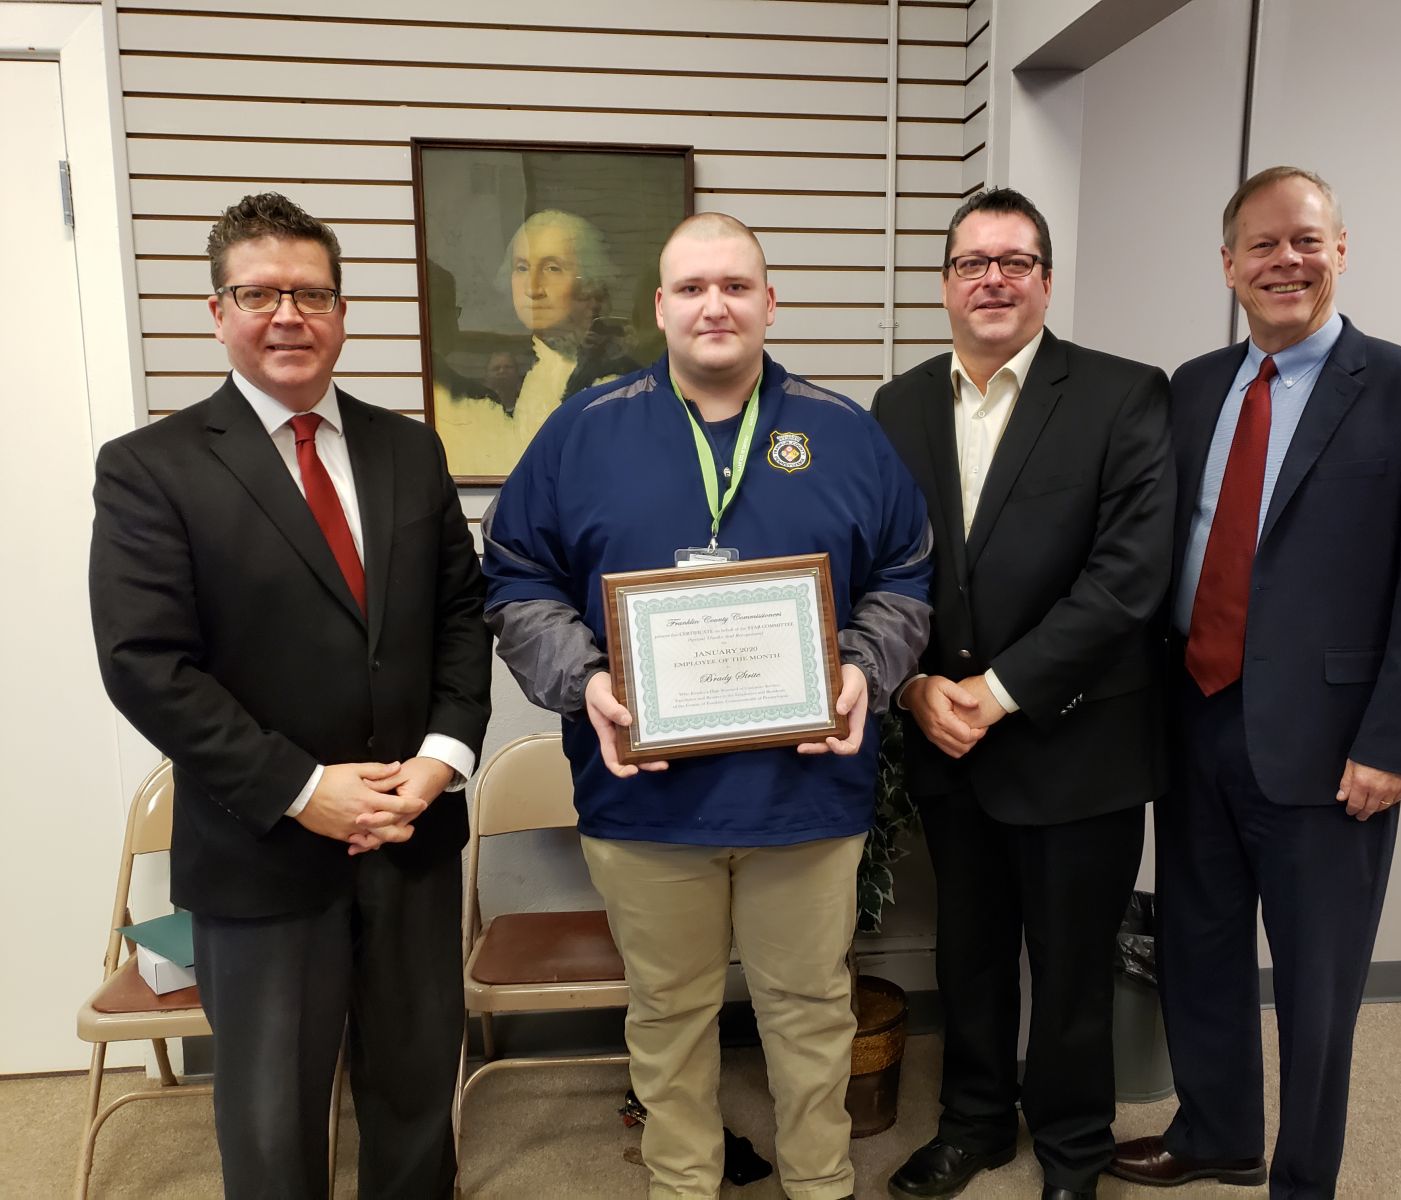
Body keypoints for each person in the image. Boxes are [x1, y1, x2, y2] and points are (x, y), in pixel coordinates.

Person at [480, 212, 932, 1200]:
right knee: (666, 1015)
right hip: (644, 800)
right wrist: (588, 682)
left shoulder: (846, 434)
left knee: (811, 1012)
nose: (714, 305)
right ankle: (680, 1187)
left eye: (735, 285)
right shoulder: (582, 433)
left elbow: (906, 574)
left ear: (770, 303)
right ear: (660, 308)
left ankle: (820, 1185)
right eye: (691, 288)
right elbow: (515, 578)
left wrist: (862, 669)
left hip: (806, 798)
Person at [88, 192, 492, 1199]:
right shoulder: (152, 468)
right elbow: (146, 663)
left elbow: (459, 617)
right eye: (259, 292)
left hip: (411, 838)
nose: (288, 315)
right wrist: (305, 788)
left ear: (342, 313)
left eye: (311, 293)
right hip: (260, 851)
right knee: (271, 1125)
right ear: (218, 311)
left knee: (412, 1095)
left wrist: (442, 760)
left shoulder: (410, 450)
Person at [1109, 166, 1401, 1199]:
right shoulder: (1189, 387)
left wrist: (1396, 743)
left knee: (1317, 987)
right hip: (1193, 720)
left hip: (1330, 748)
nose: (1286, 262)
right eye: (1263, 246)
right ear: (1226, 265)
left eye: (1306, 241)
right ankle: (1215, 1133)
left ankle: (1301, 1178)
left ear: (1340, 249)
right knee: (1198, 946)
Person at [873, 188, 1176, 1200]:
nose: (992, 279)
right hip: (946, 747)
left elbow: (1127, 577)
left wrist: (995, 692)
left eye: (1015, 260)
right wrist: (914, 686)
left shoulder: (1124, 395)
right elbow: (886, 569)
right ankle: (972, 1126)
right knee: (968, 958)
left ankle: (1074, 1150)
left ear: (1046, 280)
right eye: (971, 262)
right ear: (945, 284)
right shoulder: (898, 405)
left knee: (1073, 975)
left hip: (1074, 742)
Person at [434, 209, 635, 476]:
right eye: (522, 268)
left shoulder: (617, 381)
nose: (533, 288)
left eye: (553, 268)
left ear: (590, 282)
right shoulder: (523, 372)